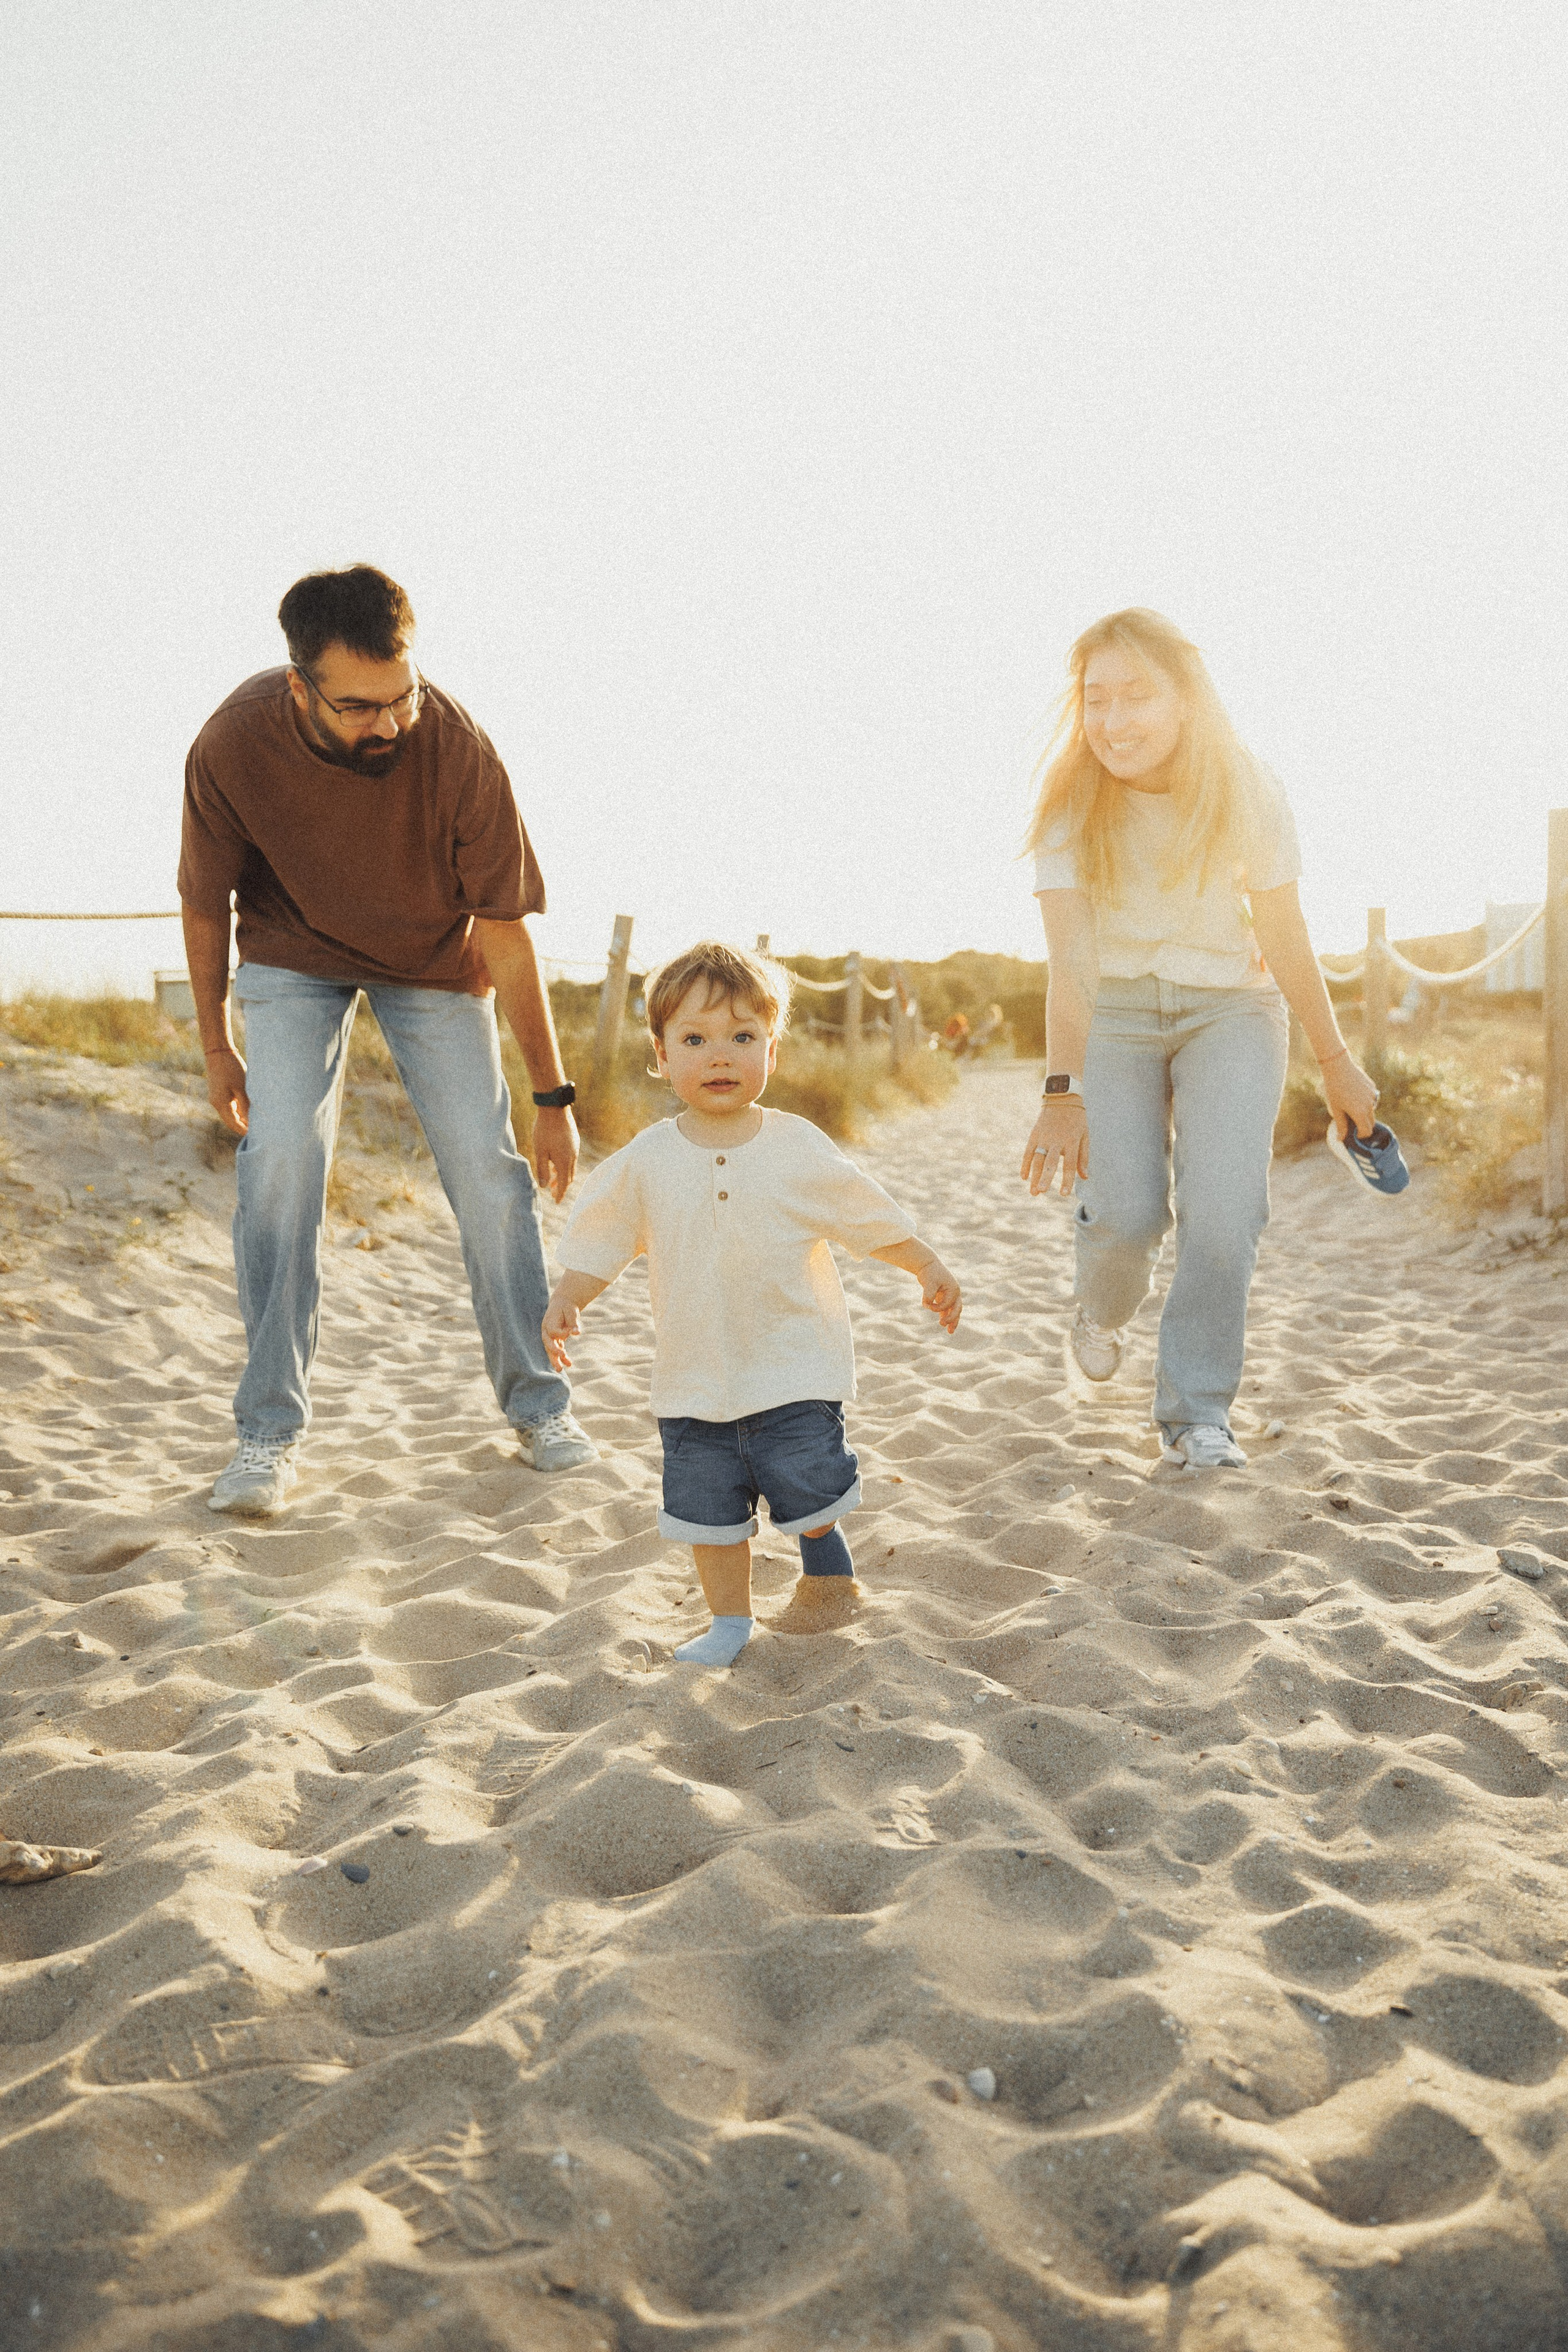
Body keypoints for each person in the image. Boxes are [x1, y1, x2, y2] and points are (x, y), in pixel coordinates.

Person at [179, 563, 598, 1516]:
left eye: (401, 695)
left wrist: (553, 1097)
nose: (390, 723)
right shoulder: (234, 743)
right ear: (300, 687)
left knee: (491, 1179)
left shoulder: (457, 751)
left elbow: (506, 934)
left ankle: (539, 1410)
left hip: (436, 965)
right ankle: (267, 1435)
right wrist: (215, 1045)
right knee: (280, 1158)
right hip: (292, 954)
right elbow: (205, 906)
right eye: (360, 707)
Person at [1019, 608, 1378, 1469]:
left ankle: (1195, 1414)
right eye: (1094, 700)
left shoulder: (1247, 786)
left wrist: (1336, 1062)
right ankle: (1101, 1310)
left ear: (1187, 696)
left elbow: (1284, 929)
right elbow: (1070, 959)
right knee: (1129, 1215)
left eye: (1135, 696)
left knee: (1225, 1215)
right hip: (1113, 1015)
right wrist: (1061, 1095)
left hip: (1232, 1010)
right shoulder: (1070, 801)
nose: (1111, 722)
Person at [541, 942, 962, 1664]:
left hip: (794, 1368)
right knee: (710, 1515)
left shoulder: (795, 1145)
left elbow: (860, 1212)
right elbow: (604, 1235)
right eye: (695, 1040)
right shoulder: (647, 1157)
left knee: (810, 1485)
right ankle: (729, 1622)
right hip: (694, 1378)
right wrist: (569, 1296)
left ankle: (826, 1573)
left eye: (742, 1038)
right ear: (662, 1054)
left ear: (773, 1049)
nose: (719, 1056)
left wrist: (920, 1261)